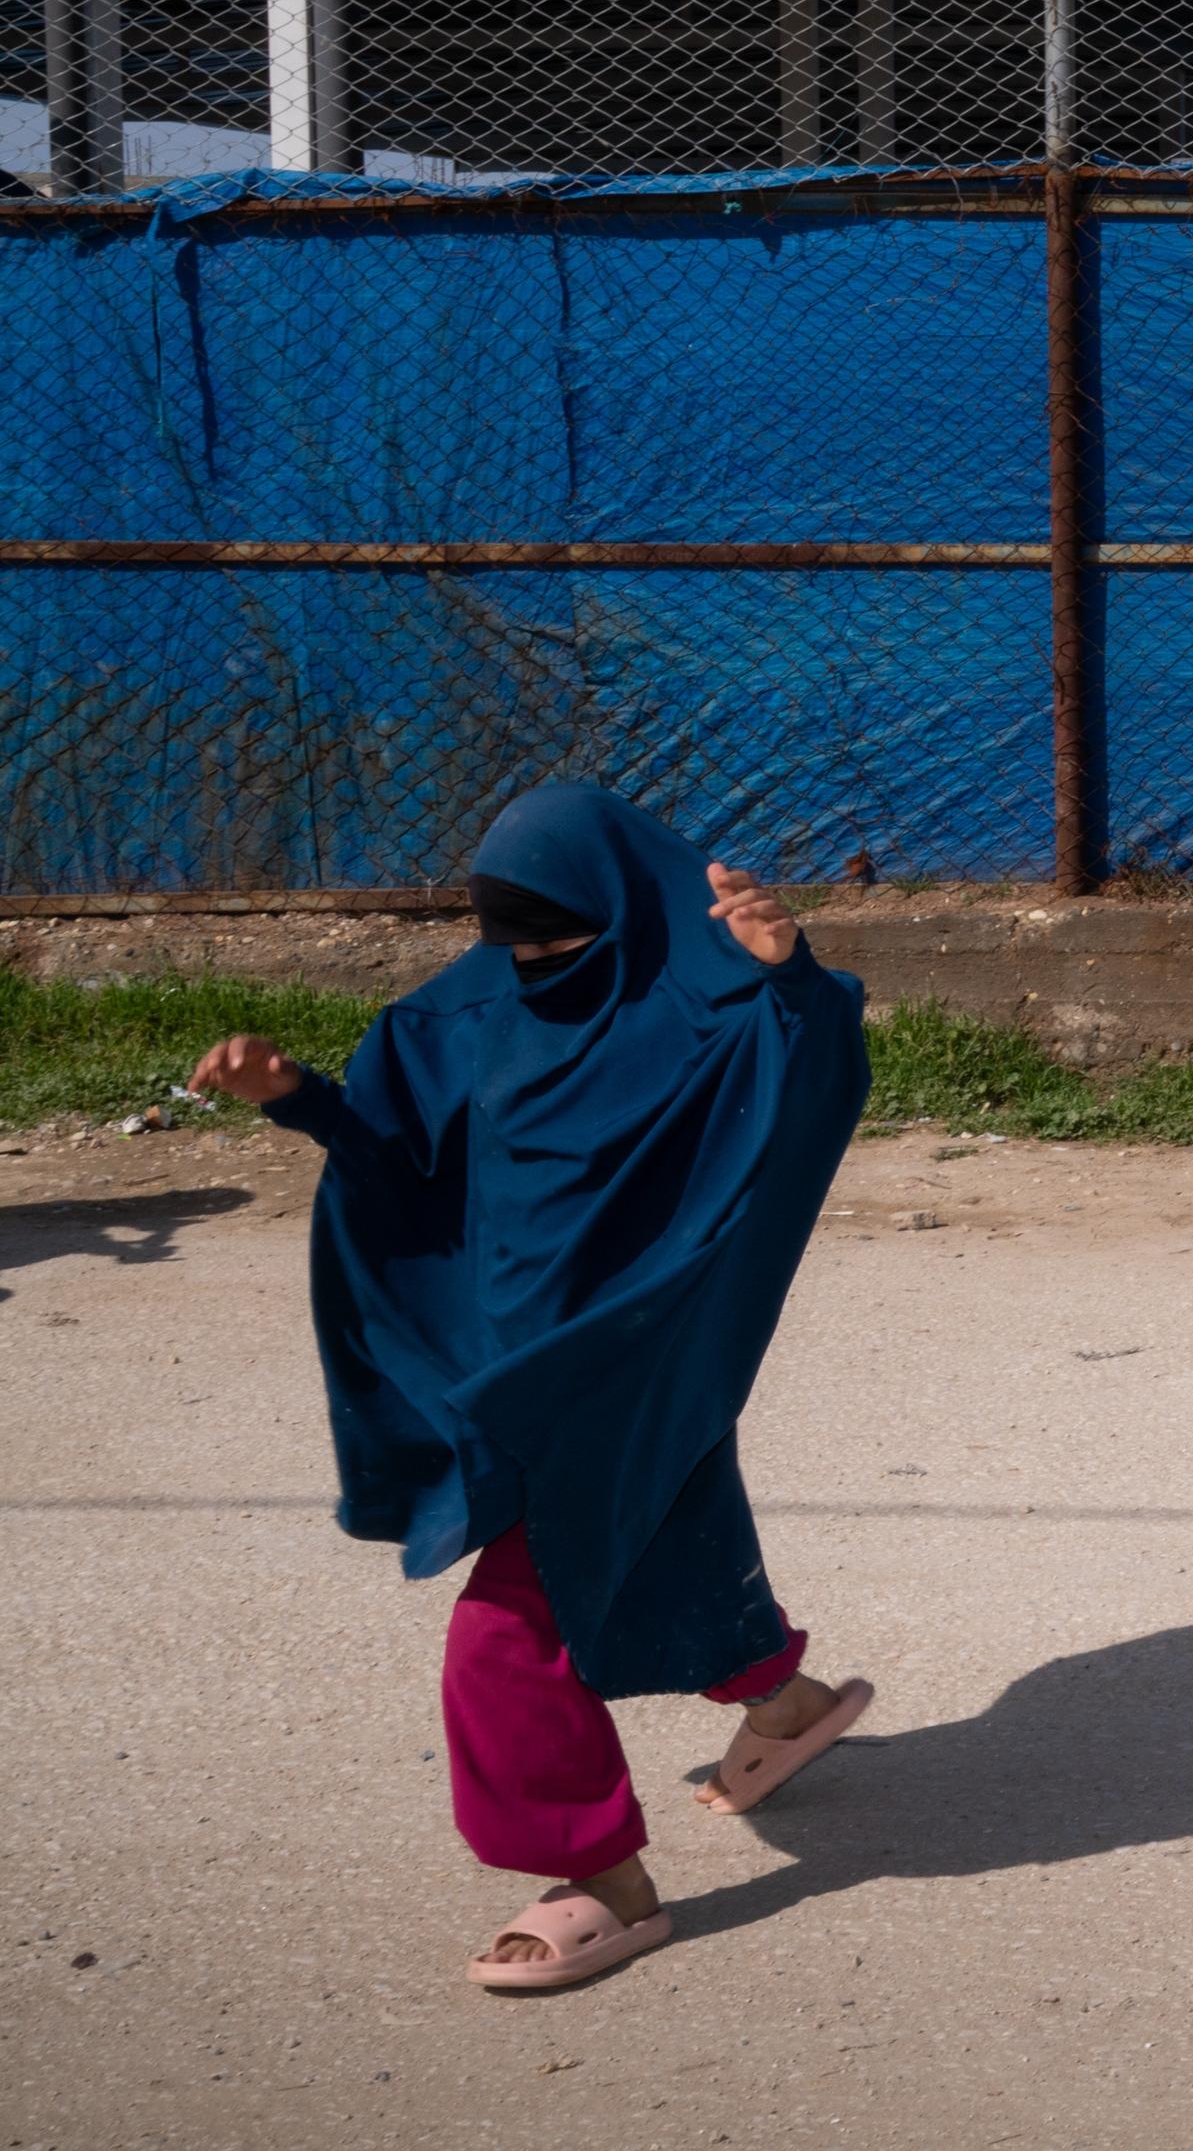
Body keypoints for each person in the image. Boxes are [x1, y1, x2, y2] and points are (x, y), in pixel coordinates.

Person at [190, 781, 879, 1991]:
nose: (538, 965)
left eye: (566, 939)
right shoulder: (460, 1011)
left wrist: (793, 979)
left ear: (620, 906)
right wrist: (299, 1100)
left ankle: (601, 1878)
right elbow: (400, 1165)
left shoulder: (714, 997)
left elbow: (810, 1091)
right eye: (516, 942)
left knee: (507, 1633)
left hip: (636, 1351)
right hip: (501, 1353)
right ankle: (785, 1699)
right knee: (659, 1535)